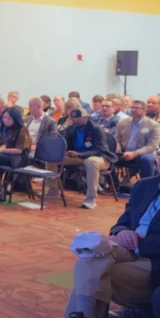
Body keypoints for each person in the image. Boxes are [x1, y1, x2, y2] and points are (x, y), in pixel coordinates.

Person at [64, 176, 160, 318]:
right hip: (128, 249)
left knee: (91, 273)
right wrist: (122, 232)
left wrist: (136, 243)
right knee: (90, 257)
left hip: (153, 260)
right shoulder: (144, 185)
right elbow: (122, 222)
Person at [61, 109, 117, 210]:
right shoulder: (72, 128)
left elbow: (99, 150)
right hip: (78, 156)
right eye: (73, 119)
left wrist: (80, 154)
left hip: (101, 158)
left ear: (86, 118)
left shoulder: (96, 129)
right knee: (54, 158)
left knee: (91, 161)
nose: (75, 122)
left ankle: (91, 198)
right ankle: (54, 189)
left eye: (78, 119)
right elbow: (63, 139)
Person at [113, 100, 160, 181]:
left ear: (144, 111)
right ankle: (114, 184)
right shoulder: (122, 122)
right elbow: (117, 140)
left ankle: (146, 185)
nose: (133, 110)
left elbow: (152, 146)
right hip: (124, 152)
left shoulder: (154, 125)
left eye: (137, 108)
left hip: (143, 153)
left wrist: (134, 153)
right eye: (132, 108)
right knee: (108, 155)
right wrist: (117, 150)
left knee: (147, 159)